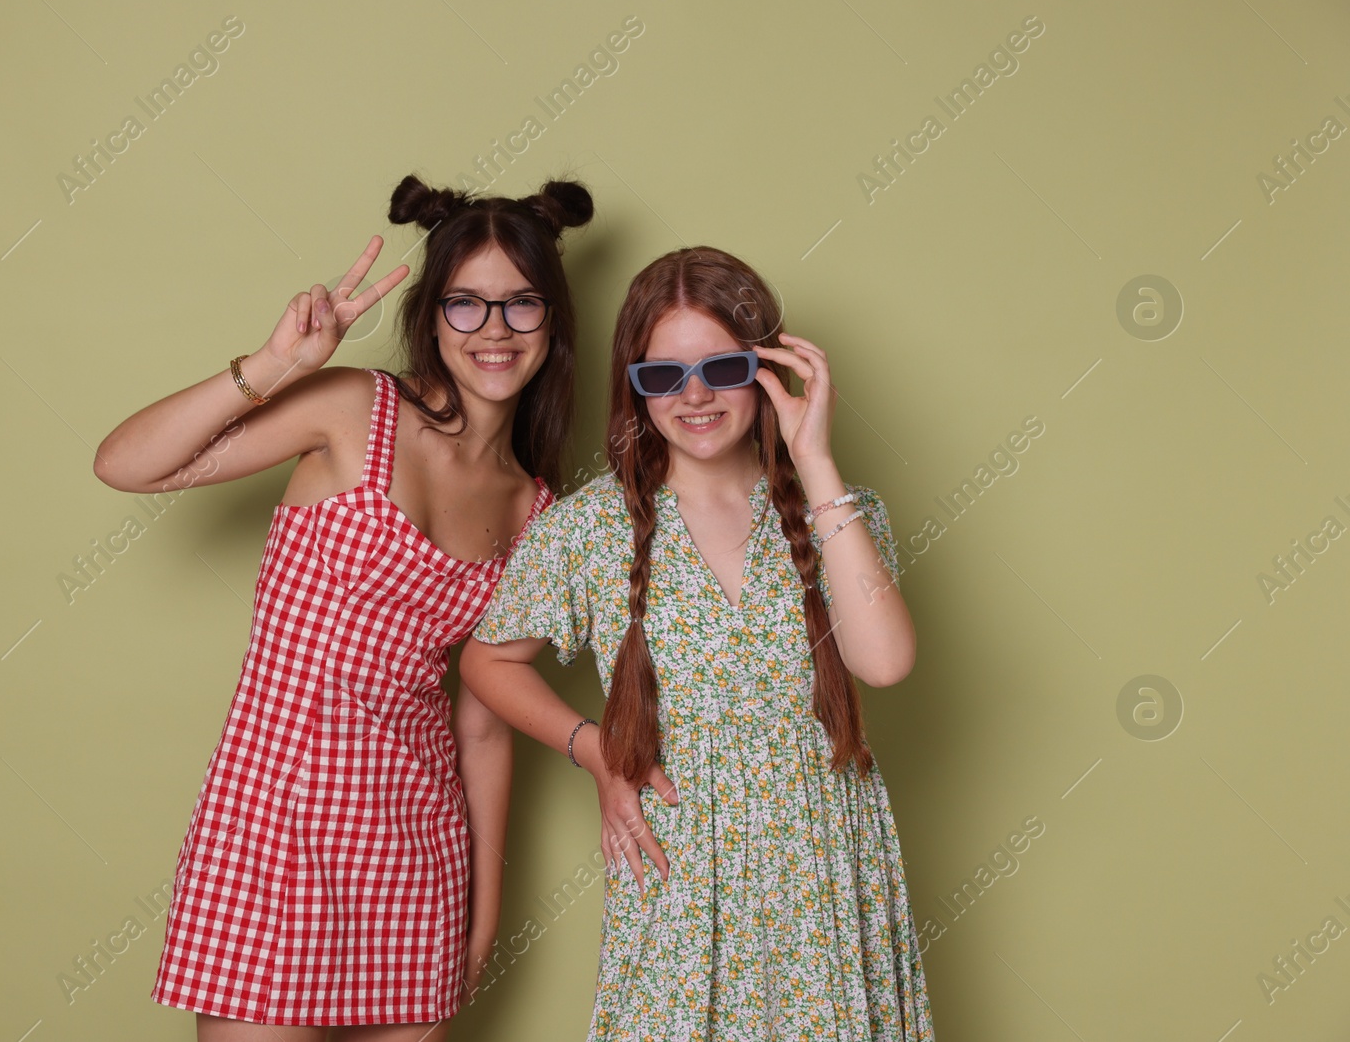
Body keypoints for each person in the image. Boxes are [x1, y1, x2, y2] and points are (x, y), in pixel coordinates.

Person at [92, 173, 594, 1040]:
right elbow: (128, 464)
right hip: (272, 826)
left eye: (521, 304)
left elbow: (481, 723)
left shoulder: (535, 509)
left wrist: (482, 909)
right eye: (467, 305)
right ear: (433, 316)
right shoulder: (354, 410)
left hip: (415, 845)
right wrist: (274, 365)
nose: (496, 330)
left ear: (553, 321)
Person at [460, 246, 934, 1040]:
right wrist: (597, 749)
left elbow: (884, 662)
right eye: (661, 377)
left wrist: (815, 461)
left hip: (822, 860)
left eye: (721, 366)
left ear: (766, 367)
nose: (694, 395)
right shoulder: (591, 527)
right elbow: (485, 659)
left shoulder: (839, 512)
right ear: (634, 388)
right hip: (680, 871)